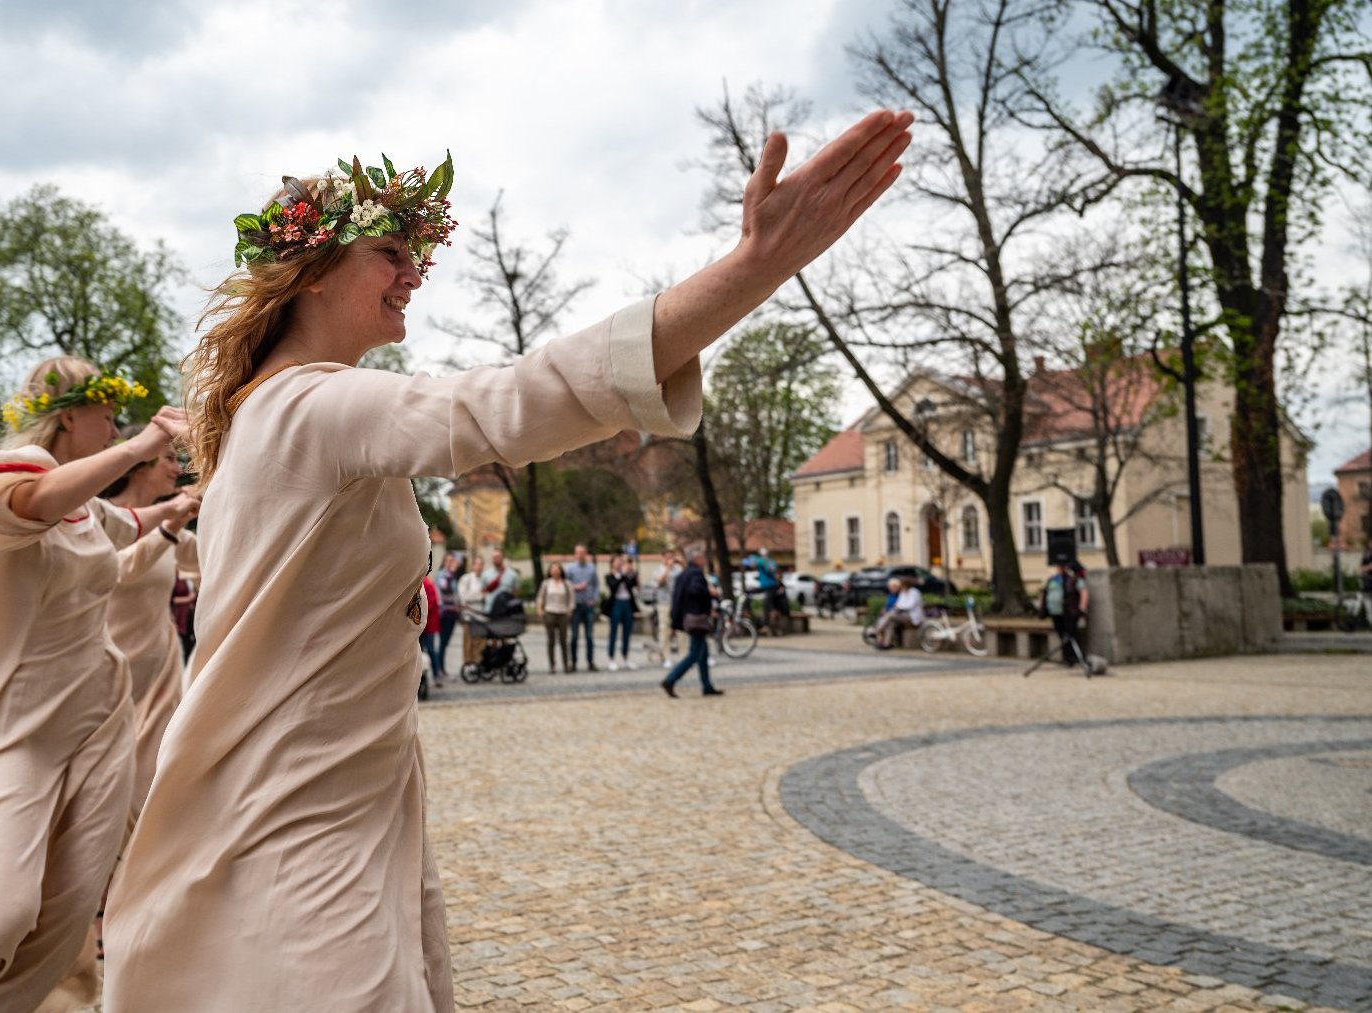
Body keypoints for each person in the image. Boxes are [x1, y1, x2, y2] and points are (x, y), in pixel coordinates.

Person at [107, 110, 910, 1010]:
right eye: (391, 251)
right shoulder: (306, 408)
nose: (415, 272)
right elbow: (512, 403)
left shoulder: (276, 412)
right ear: (314, 271)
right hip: (304, 792)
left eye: (420, 253)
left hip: (344, 779)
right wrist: (752, 268)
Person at [0, 357, 191, 1013]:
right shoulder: (2, 479)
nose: (116, 424)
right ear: (68, 416)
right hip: (18, 722)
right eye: (107, 413)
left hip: (97, 718)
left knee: (71, 904)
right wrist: (144, 442)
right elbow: (37, 501)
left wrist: (182, 504)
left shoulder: (89, 511)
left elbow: (133, 524)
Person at [100, 428, 202, 819]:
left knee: (154, 787)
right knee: (108, 794)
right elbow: (117, 571)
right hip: (110, 674)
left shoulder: (175, 532)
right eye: (169, 459)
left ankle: (145, 875)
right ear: (140, 465)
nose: (178, 469)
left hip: (160, 675)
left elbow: (217, 563)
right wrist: (169, 525)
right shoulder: (103, 518)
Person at [663, 546, 721, 698]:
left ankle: (707, 685)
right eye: (702, 556)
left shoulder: (684, 574)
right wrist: (709, 592)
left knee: (703, 652)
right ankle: (671, 679)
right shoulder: (695, 573)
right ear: (696, 559)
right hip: (697, 617)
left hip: (689, 617)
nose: (705, 559)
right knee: (695, 653)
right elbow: (695, 591)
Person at [1040, 562, 1089, 666]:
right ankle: (1068, 658)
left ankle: (1075, 657)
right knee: (1062, 635)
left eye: (1062, 566)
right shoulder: (1052, 579)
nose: (1060, 568)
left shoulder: (1074, 579)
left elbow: (1083, 592)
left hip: (1070, 612)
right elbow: (1045, 593)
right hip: (1055, 612)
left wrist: (1082, 608)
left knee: (1070, 634)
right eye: (1058, 566)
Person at [565, 544, 599, 672]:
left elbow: (596, 585)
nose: (581, 555)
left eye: (583, 552)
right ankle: (573, 662)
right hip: (575, 605)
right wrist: (576, 587)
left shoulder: (591, 568)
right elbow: (566, 586)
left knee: (589, 635)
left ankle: (590, 661)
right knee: (574, 636)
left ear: (586, 554)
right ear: (575, 554)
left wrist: (594, 598)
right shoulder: (569, 569)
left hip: (588, 605)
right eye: (578, 552)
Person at [535, 562, 574, 673]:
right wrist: (540, 609)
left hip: (562, 613)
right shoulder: (546, 584)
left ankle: (566, 664)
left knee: (563, 641)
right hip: (550, 612)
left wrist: (569, 610)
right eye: (553, 569)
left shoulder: (567, 584)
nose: (555, 571)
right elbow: (540, 597)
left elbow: (571, 599)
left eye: (557, 569)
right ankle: (552, 665)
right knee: (551, 641)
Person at [432, 553, 461, 677]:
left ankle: (441, 667)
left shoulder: (451, 575)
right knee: (443, 642)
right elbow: (444, 588)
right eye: (448, 561)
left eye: (452, 561)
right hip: (445, 613)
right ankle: (439, 668)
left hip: (453, 612)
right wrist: (452, 572)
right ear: (444, 562)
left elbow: (455, 593)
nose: (451, 563)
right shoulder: (443, 575)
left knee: (445, 642)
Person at [653, 549, 683, 668]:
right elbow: (660, 581)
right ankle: (667, 657)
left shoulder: (679, 570)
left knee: (682, 631)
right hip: (664, 603)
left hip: (677, 603)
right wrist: (667, 569)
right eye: (667, 557)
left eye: (671, 557)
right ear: (663, 558)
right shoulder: (658, 570)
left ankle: (683, 656)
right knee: (664, 630)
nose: (670, 560)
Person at [876, 577, 925, 649]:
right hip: (902, 616)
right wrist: (899, 607)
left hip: (912, 617)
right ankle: (886, 644)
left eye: (901, 585)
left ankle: (878, 631)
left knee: (890, 616)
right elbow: (898, 604)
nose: (900, 587)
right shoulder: (902, 593)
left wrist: (899, 607)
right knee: (891, 622)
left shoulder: (914, 592)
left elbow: (910, 605)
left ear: (906, 585)